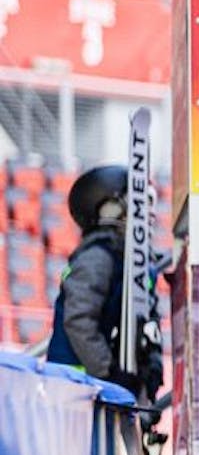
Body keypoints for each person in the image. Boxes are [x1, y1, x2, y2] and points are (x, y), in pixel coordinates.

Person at [46, 165, 161, 400]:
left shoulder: (137, 264)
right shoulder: (97, 258)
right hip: (75, 393)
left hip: (100, 389)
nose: (148, 214)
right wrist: (108, 373)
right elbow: (79, 320)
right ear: (109, 209)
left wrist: (151, 370)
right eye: (139, 203)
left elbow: (147, 321)